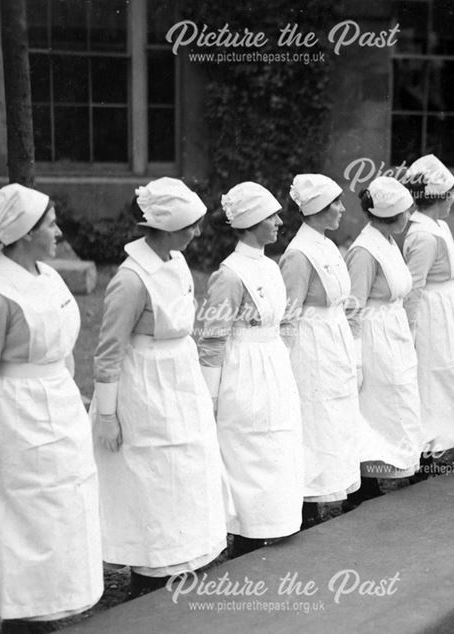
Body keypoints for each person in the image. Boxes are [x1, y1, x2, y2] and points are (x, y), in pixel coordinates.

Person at [0, 185, 103, 632]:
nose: (58, 230)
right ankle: (22, 620)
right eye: (50, 223)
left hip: (58, 411)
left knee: (61, 512)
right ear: (24, 234)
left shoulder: (49, 275)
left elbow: (61, 345)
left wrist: (71, 397)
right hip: (15, 424)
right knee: (23, 524)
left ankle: (53, 609)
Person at [93, 177, 226, 598]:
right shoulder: (131, 280)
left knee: (184, 467)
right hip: (144, 386)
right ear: (168, 227)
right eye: (191, 226)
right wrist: (109, 414)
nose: (198, 233)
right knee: (151, 475)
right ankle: (148, 575)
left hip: (179, 375)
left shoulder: (176, 263)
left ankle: (181, 558)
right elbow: (108, 351)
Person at [196, 182, 304, 558]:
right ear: (252, 222)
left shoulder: (271, 266)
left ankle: (274, 521)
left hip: (272, 362)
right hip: (242, 367)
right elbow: (212, 338)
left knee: (277, 440)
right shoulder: (229, 275)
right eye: (270, 216)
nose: (278, 222)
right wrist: (210, 395)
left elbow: (285, 320)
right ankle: (245, 531)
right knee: (247, 445)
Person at [282, 174, 363, 522]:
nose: (343, 209)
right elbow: (287, 316)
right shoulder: (298, 255)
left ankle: (332, 490)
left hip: (334, 339)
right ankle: (308, 501)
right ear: (316, 209)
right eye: (335, 203)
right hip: (310, 345)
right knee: (315, 418)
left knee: (336, 417)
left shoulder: (328, 245)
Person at [345, 177, 425, 496]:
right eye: (407, 211)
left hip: (394, 328)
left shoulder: (389, 242)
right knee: (377, 405)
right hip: (373, 334)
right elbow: (353, 307)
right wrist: (356, 358)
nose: (410, 215)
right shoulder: (364, 251)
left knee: (399, 398)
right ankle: (368, 480)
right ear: (394, 214)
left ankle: (394, 466)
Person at [401, 154, 454, 456]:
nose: (452, 201)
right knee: (435, 374)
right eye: (449, 196)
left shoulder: (439, 227)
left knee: (453, 370)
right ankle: (433, 443)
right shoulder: (423, 234)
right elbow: (414, 285)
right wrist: (410, 327)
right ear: (438, 197)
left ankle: (451, 438)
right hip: (432, 313)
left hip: (449, 307)